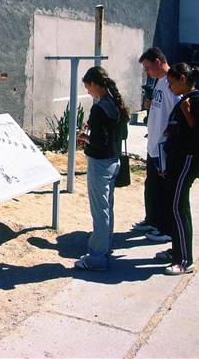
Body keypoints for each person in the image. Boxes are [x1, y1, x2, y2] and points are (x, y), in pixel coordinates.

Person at [160, 63, 199, 275]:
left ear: (183, 78)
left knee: (177, 206)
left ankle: (184, 259)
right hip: (176, 159)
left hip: (188, 160)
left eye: (172, 82)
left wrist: (188, 116)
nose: (170, 87)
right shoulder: (184, 101)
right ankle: (176, 250)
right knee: (172, 205)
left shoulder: (198, 102)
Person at [74, 66, 130, 271]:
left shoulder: (99, 108)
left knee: (100, 213)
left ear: (95, 84)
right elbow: (121, 134)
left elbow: (99, 141)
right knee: (107, 210)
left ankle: (96, 258)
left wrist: (85, 137)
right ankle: (103, 251)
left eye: (88, 86)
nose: (87, 90)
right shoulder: (115, 103)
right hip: (114, 162)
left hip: (100, 164)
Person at [133, 48, 180, 244]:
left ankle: (166, 228)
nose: (146, 72)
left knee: (164, 190)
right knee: (152, 186)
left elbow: (179, 110)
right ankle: (152, 220)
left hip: (164, 147)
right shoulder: (158, 82)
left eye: (147, 67)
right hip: (153, 145)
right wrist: (149, 104)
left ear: (158, 62)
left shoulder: (171, 83)